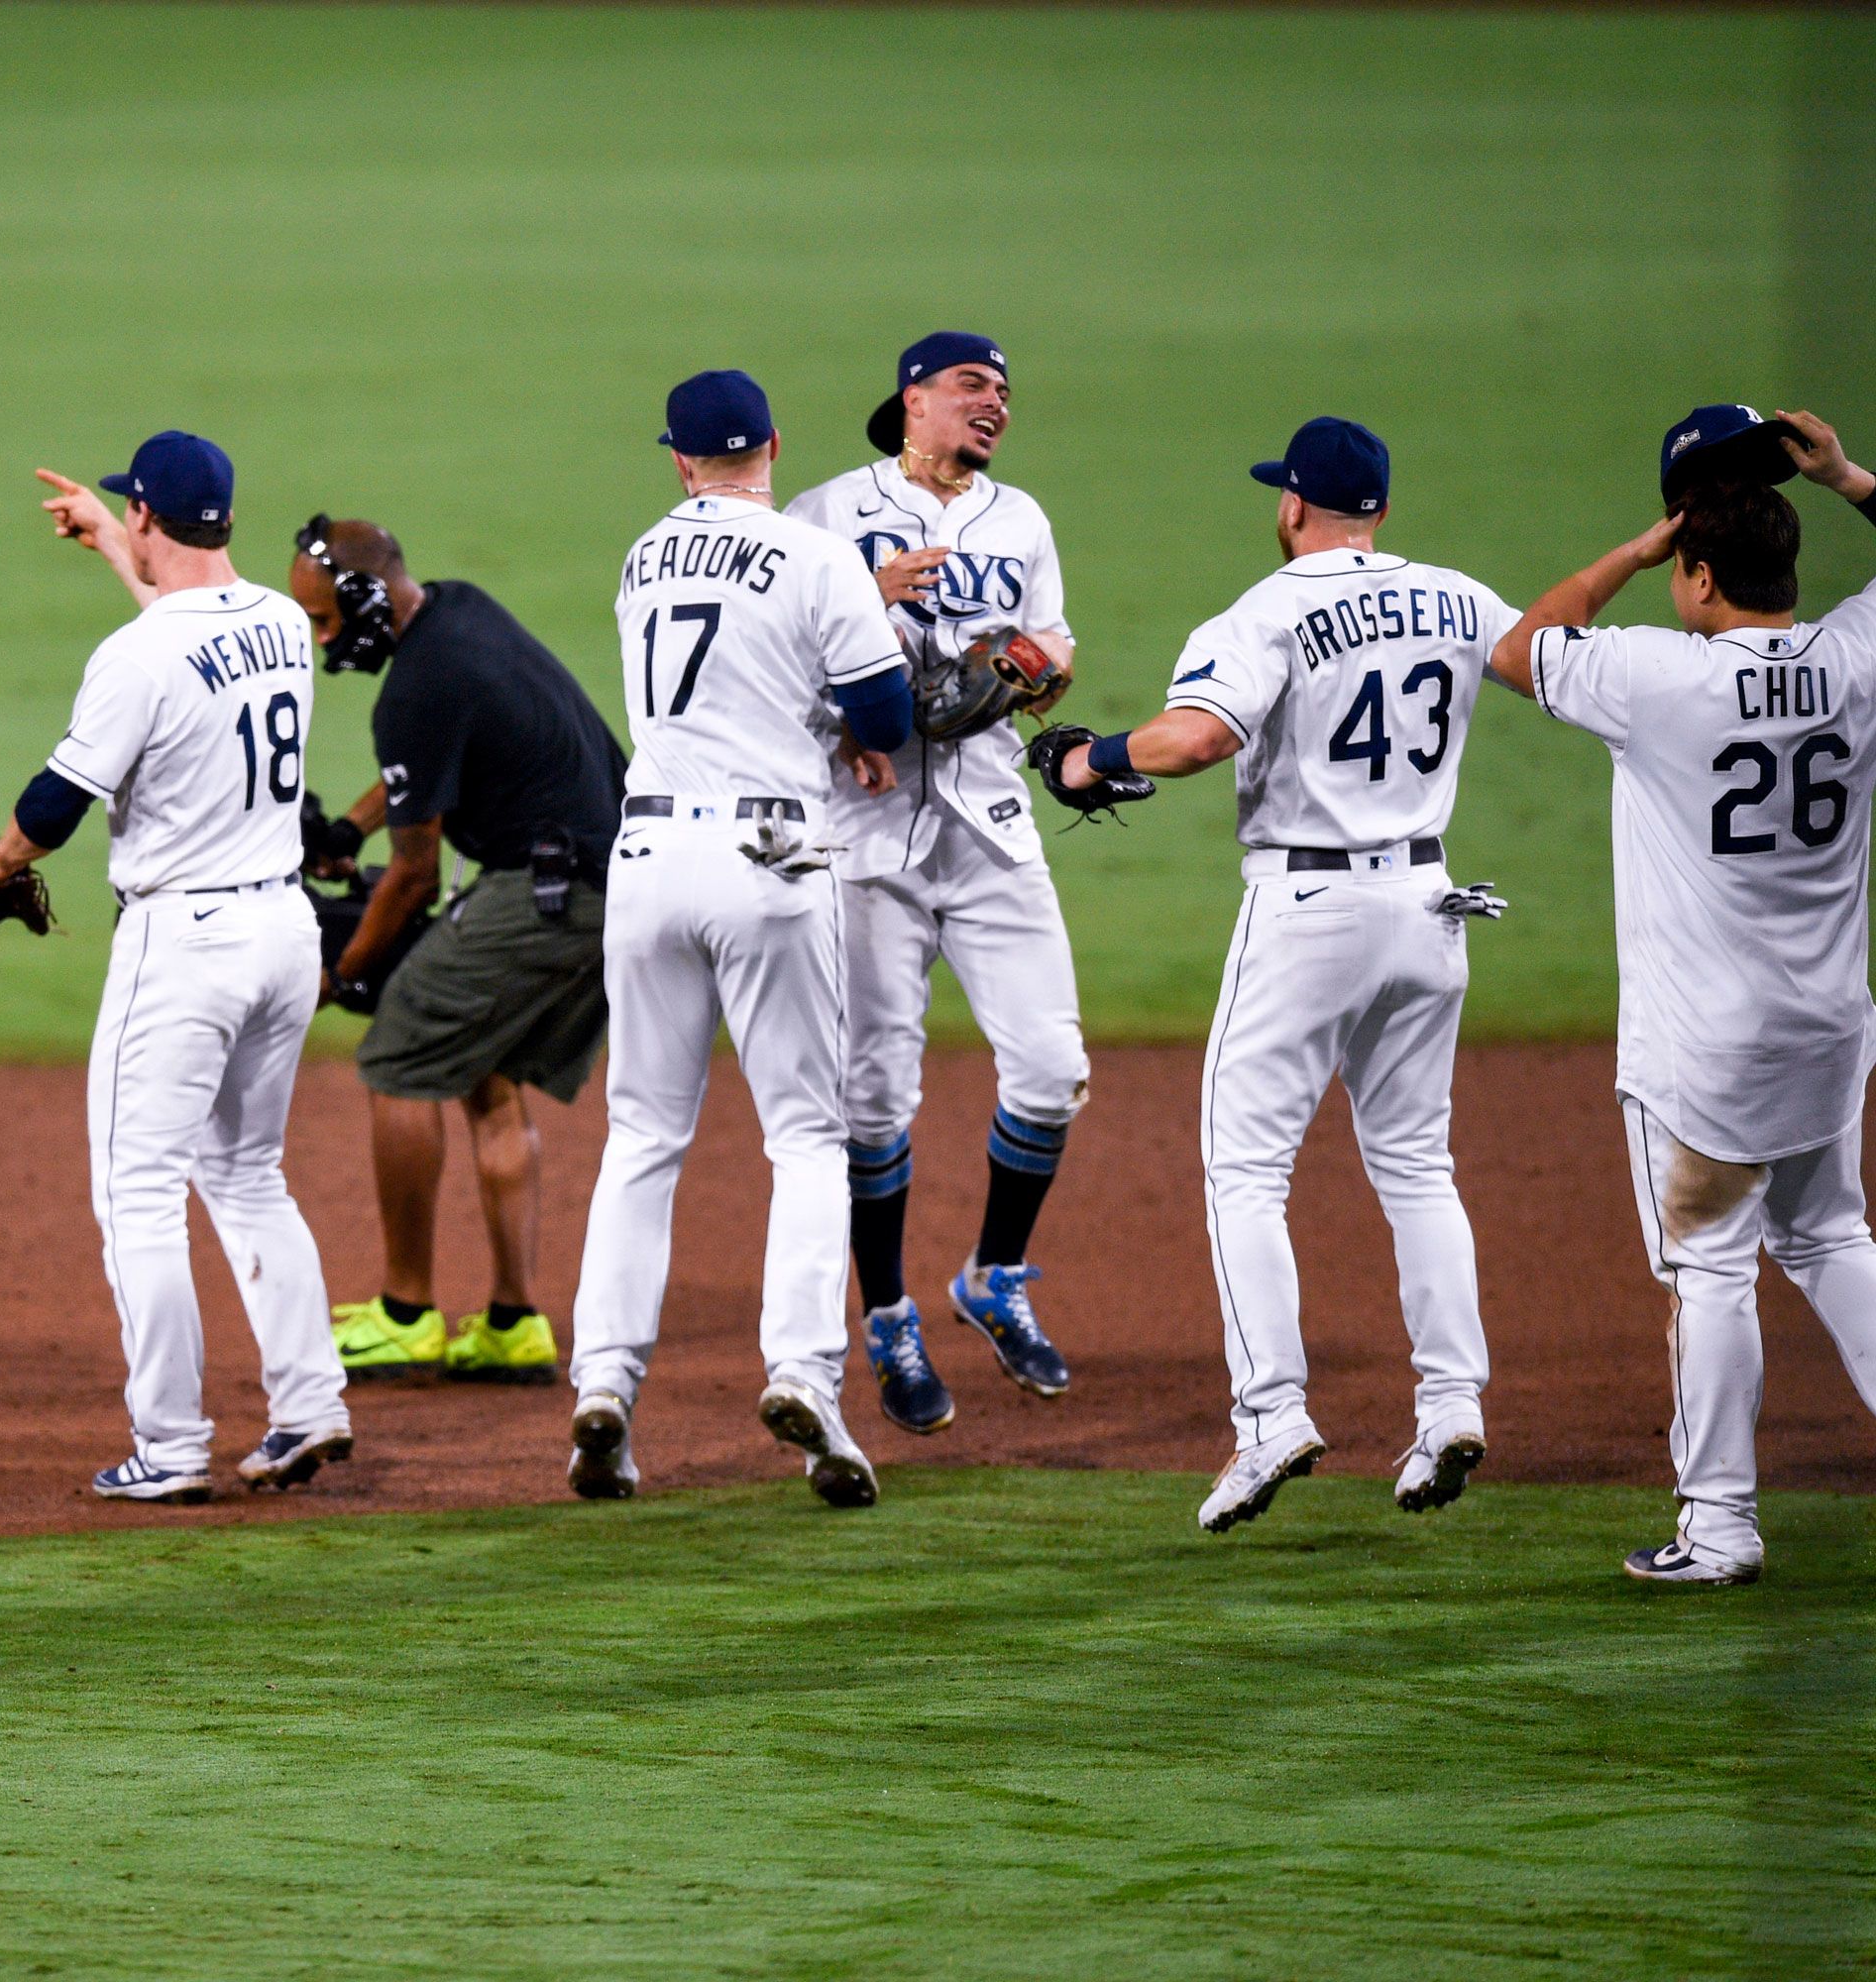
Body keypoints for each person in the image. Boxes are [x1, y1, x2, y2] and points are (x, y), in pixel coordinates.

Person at [1036, 417, 1509, 1533]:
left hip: (1309, 910)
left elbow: (1197, 738)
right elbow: (1546, 653)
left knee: (1245, 1168)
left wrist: (1088, 756)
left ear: (1294, 506)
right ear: (1379, 510)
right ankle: (1450, 1403)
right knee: (1416, 1164)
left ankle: (1270, 1416)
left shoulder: (1268, 608)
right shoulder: (1459, 596)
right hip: (1429, 904)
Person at [1486, 405, 1876, 1586]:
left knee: (1712, 1267)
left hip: (1705, 1052)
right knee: (1831, 1235)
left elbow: (1519, 647)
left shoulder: (1656, 678)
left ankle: (1720, 1525)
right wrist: (1852, 476)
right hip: (1829, 1029)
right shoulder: (1856, 658)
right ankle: (1718, 1520)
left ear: (1698, 571)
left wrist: (1632, 552)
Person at [565, 370, 921, 1506]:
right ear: (772, 443)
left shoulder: (641, 556)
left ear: (677, 458)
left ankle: (605, 1390)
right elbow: (887, 718)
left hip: (649, 857)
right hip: (772, 855)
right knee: (806, 1135)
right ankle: (805, 1373)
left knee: (641, 1137)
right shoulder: (819, 558)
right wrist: (845, 721)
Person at [0, 433, 352, 1504]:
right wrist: (112, 544)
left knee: (138, 1192)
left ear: (152, 516)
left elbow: (54, 807)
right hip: (285, 933)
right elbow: (188, 640)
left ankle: (171, 1442)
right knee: (248, 1175)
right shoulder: (283, 623)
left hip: (184, 945)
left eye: (126, 514)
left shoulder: (135, 657)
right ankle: (310, 1403)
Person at [786, 332, 1086, 1438]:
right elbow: (772, 650)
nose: (994, 405)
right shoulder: (822, 512)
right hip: (864, 829)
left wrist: (1041, 668)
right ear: (912, 398)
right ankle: (888, 1319)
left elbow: (1051, 644)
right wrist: (864, 594)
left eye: (1005, 391)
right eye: (972, 386)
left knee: (1053, 1070)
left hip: (991, 824)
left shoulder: (1023, 520)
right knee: (872, 1096)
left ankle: (994, 1275)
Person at [287, 515, 627, 1387]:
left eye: (327, 620)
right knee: (485, 1072)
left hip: (549, 892)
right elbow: (425, 776)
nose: (325, 640)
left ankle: (406, 1314)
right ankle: (514, 1324)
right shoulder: (457, 615)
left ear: (365, 598)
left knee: (400, 1052)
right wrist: (344, 830)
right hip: (607, 880)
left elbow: (411, 877)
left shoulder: (417, 689)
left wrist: (348, 973)